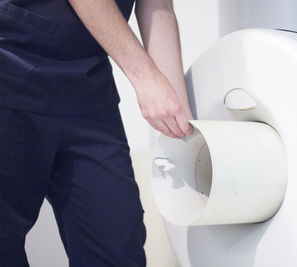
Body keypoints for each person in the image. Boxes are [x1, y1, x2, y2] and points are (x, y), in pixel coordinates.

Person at [0, 0, 194, 266]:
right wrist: (145, 77)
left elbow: (158, 7)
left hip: (87, 85)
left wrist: (182, 124)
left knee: (118, 247)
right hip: (11, 64)